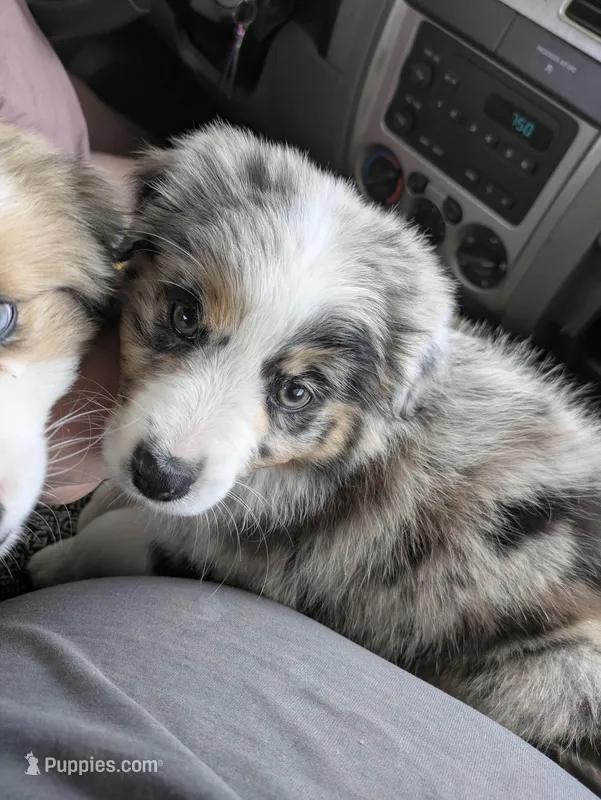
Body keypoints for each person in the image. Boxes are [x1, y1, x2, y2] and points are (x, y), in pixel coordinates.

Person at [0, 3, 595, 798]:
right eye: (185, 320)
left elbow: (194, 549)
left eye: (296, 390)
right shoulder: (167, 200)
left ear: (379, 405)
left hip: (531, 698)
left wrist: (87, 555)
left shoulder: (341, 460)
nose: (175, 449)